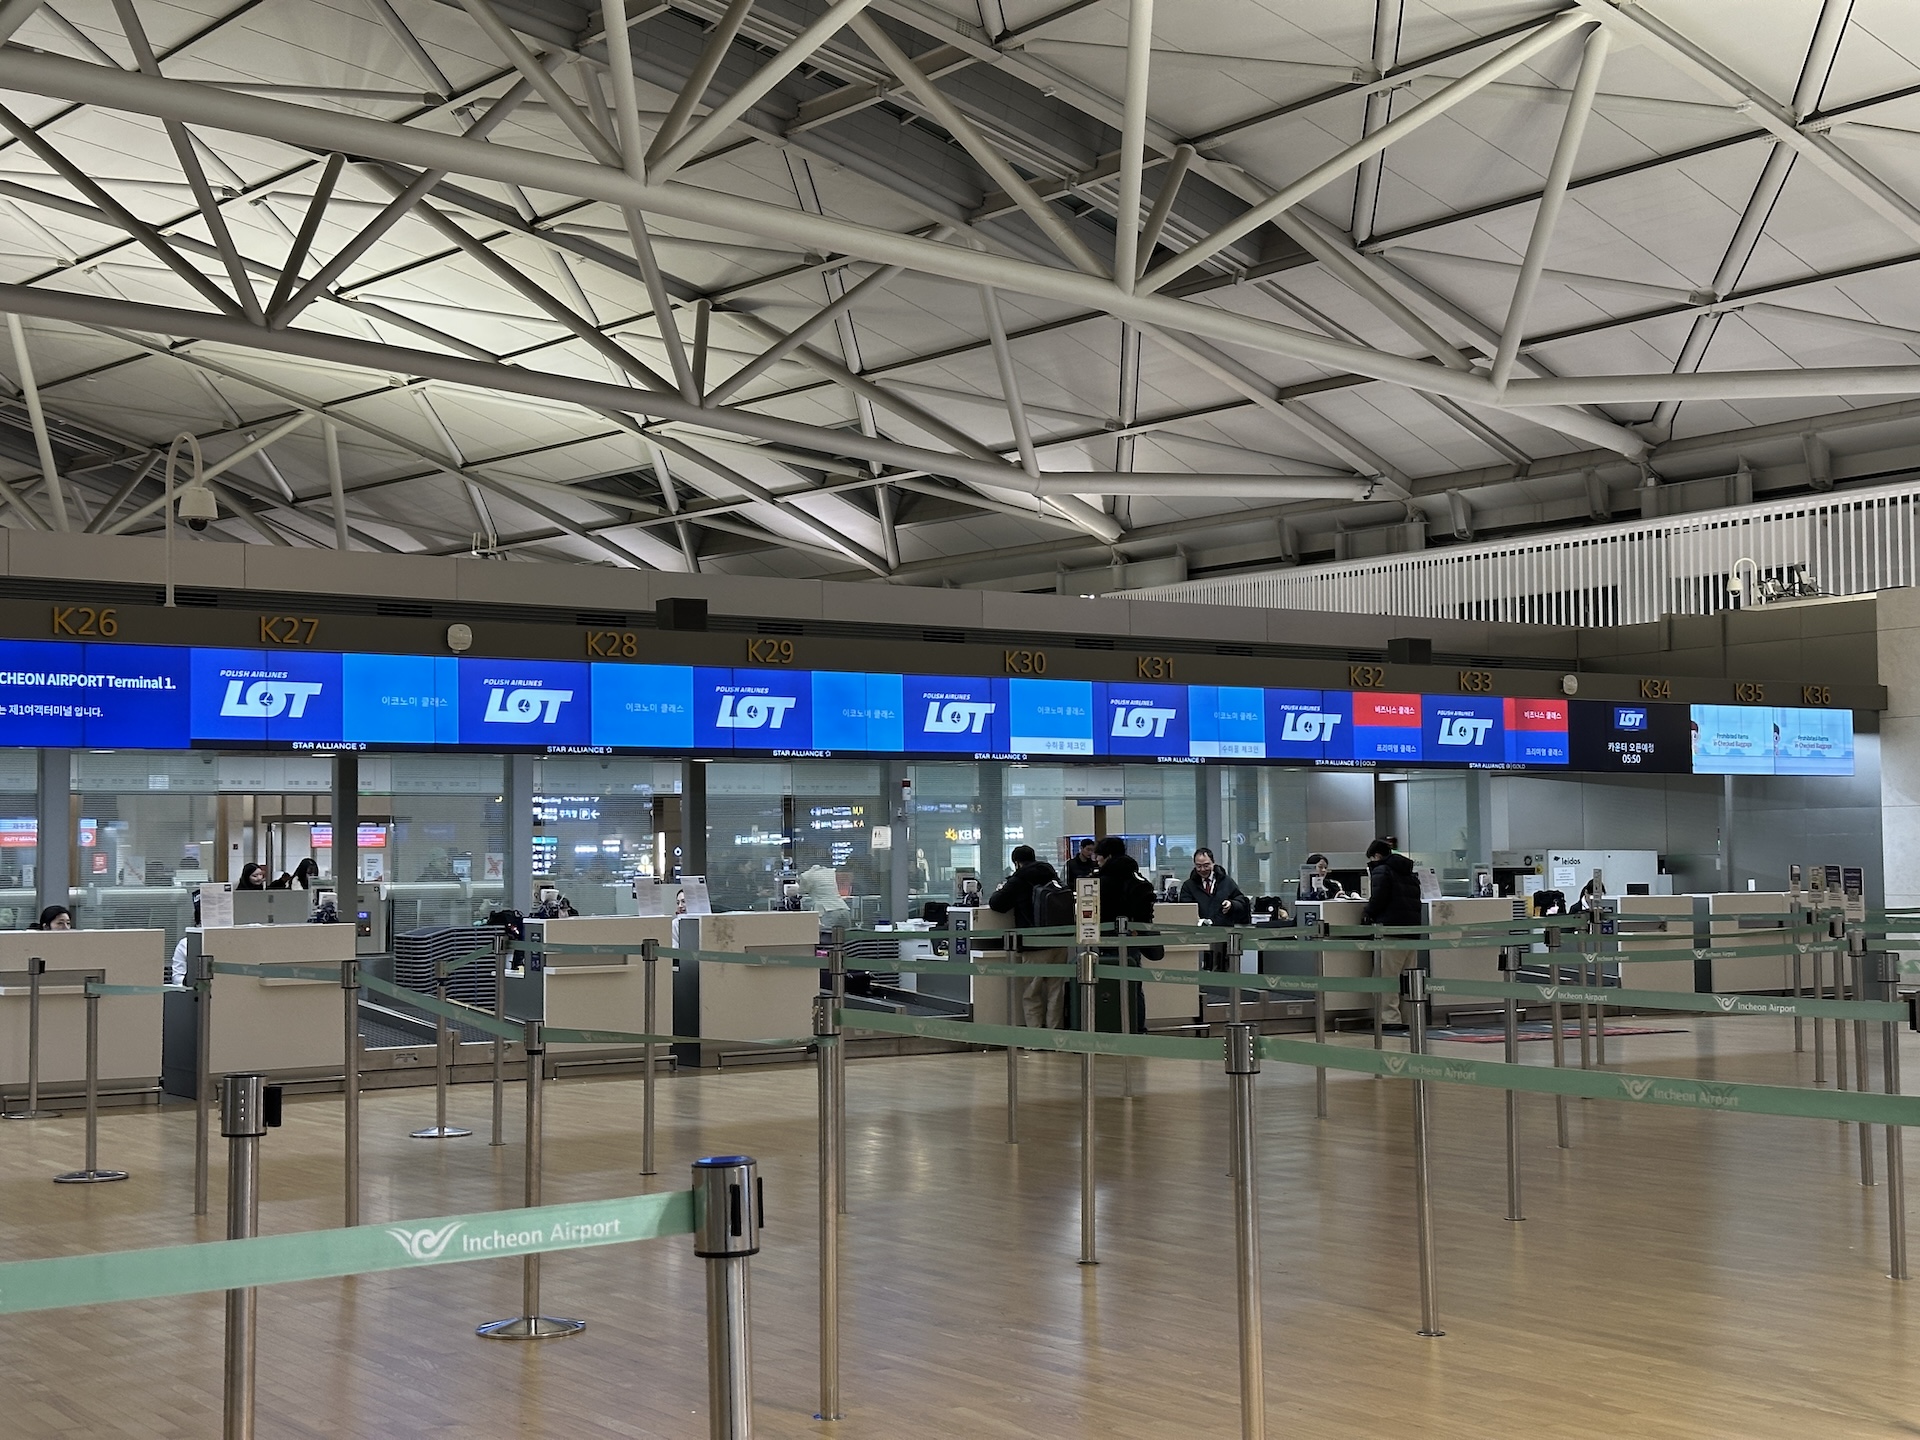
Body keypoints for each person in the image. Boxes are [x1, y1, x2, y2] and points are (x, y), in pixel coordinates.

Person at [988, 844, 1065, 1028]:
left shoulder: (1019, 879)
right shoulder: (1051, 876)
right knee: (1056, 992)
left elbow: (997, 904)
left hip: (1034, 943)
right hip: (1060, 940)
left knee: (1032, 992)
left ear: (1016, 862)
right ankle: (1056, 1034)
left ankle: (1035, 1036)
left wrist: (1001, 889)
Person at [1094, 835, 1156, 1034]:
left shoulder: (1102, 881)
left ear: (1108, 856)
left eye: (1099, 856)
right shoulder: (1137, 877)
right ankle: (1137, 1028)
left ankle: (1114, 1027)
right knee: (1134, 986)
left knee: (1109, 984)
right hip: (1134, 937)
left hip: (1108, 938)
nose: (1097, 860)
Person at [1362, 838, 1422, 1027]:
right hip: (1412, 932)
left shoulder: (1382, 870)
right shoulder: (1408, 872)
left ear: (1376, 855)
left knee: (1386, 978)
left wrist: (1368, 913)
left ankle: (1390, 1019)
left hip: (1391, 930)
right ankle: (1409, 1018)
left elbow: (1379, 898)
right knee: (1407, 979)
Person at [1178, 847, 1250, 972]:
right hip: (1199, 938)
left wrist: (1231, 904)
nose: (1202, 869)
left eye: (1206, 865)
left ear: (1213, 863)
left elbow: (1241, 901)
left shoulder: (1226, 882)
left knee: (1223, 971)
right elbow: (1185, 909)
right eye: (1198, 866)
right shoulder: (1188, 886)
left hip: (1223, 936)